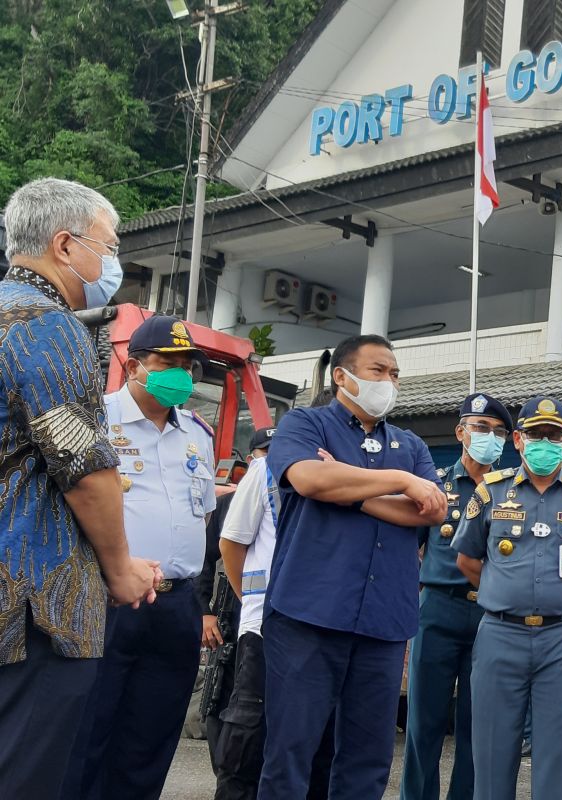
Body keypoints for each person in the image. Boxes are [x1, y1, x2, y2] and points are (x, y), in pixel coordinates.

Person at [0, 178, 159, 798]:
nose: (112, 262)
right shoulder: (46, 323)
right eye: (109, 245)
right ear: (65, 245)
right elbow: (85, 469)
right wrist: (119, 569)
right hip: (36, 611)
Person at [259, 334, 446, 800]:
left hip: (383, 622)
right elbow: (307, 477)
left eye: (395, 374)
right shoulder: (305, 424)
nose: (389, 382)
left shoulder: (410, 443)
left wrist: (348, 490)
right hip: (309, 613)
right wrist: (400, 482)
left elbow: (430, 510)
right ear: (342, 376)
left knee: (367, 760)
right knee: (290, 753)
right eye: (378, 371)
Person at [62, 314, 217, 799]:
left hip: (175, 604)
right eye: (169, 363)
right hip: (107, 596)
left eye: (189, 365)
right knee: (87, 731)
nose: (183, 376)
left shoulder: (198, 434)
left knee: (152, 735)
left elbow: (203, 517)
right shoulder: (94, 419)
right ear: (133, 366)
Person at [452, 397, 562, 800]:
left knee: (558, 756)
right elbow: (468, 559)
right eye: (536, 434)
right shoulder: (490, 491)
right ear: (518, 440)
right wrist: (504, 588)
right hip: (500, 634)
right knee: (491, 752)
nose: (545, 442)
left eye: (553, 435)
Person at [401, 393, 514, 800]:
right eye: (482, 429)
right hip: (437, 609)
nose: (490, 438)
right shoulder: (435, 486)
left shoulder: (512, 491)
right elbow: (408, 551)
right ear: (461, 433)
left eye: (499, 432)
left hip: (492, 615)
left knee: (477, 727)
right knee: (423, 724)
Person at [214, 426, 335, 799]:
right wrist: (256, 603)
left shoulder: (347, 472)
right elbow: (231, 544)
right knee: (251, 733)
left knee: (316, 740)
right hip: (266, 629)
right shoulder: (264, 471)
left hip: (327, 627)